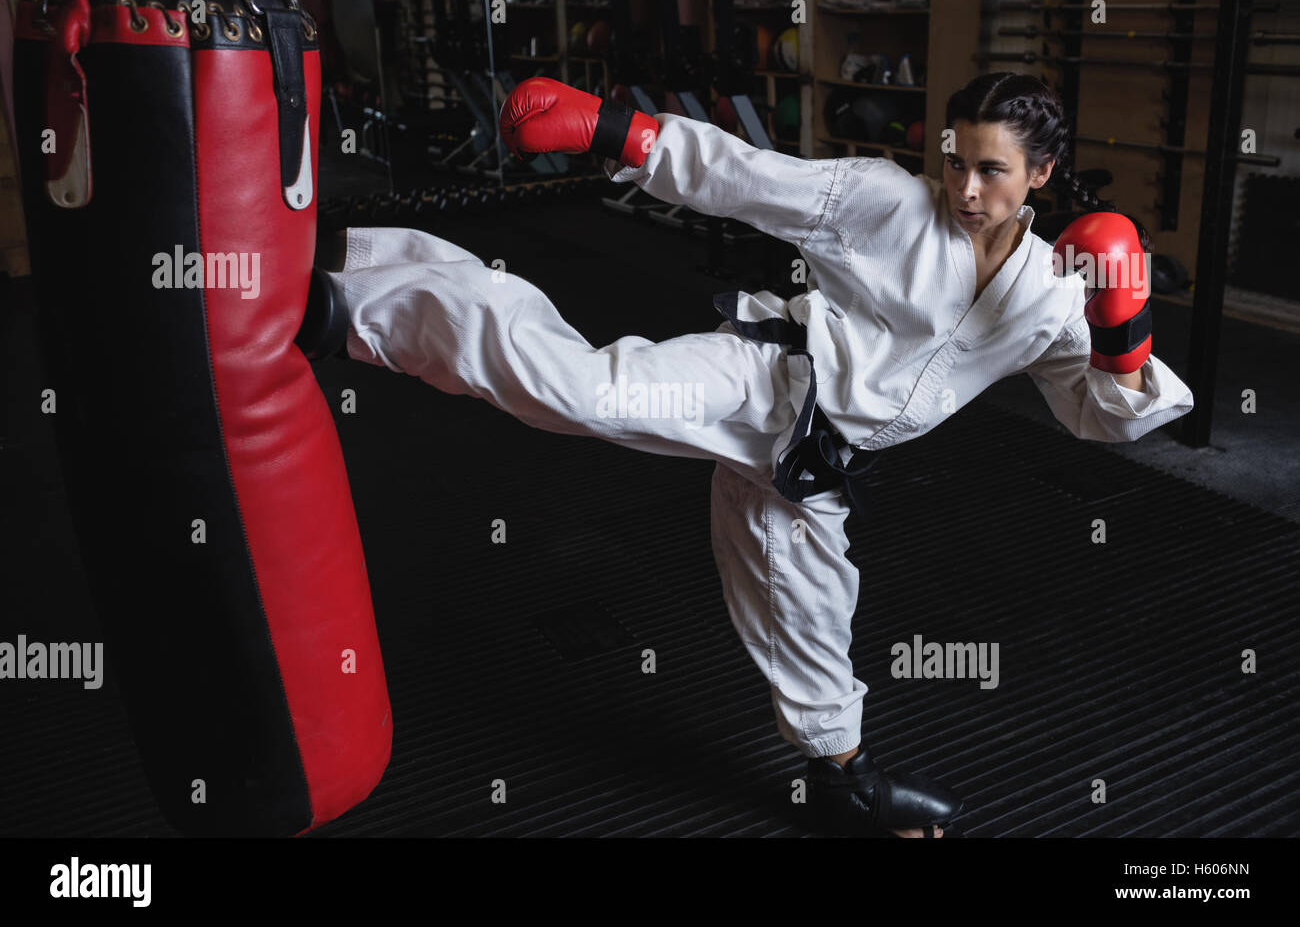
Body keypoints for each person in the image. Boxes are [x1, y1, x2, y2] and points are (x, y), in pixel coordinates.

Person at [307, 72, 1193, 837]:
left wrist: (1123, 338)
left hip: (814, 472)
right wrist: (619, 130)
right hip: (760, 383)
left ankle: (845, 782)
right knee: (584, 392)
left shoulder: (1048, 298)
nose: (963, 188)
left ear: (1038, 175)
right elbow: (746, 178)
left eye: (991, 171)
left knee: (810, 620)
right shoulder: (889, 199)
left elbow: (1101, 417)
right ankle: (355, 305)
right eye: (955, 159)